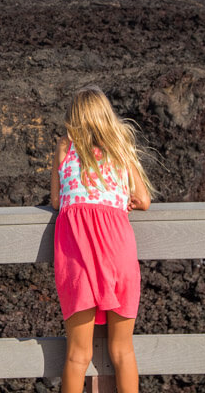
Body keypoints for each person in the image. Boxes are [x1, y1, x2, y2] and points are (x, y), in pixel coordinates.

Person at [50, 85, 154, 393]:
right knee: (122, 351)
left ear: (74, 118)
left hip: (78, 257)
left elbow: (56, 201)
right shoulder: (120, 145)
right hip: (117, 252)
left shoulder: (65, 146)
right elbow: (144, 199)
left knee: (77, 355)